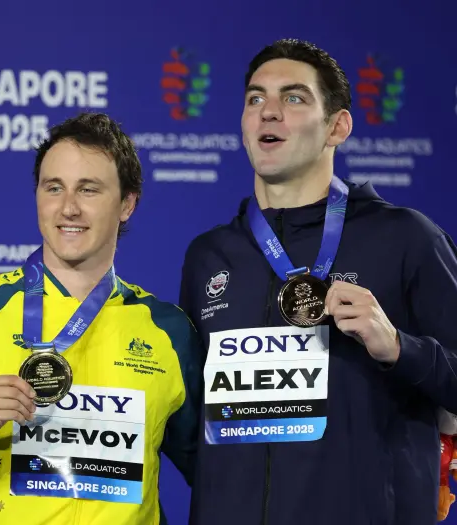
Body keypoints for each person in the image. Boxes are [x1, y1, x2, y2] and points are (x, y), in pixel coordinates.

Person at [178, 38, 457, 525]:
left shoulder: (406, 238)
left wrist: (398, 347)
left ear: (337, 127)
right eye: (255, 98)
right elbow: (190, 421)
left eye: (293, 97)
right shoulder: (209, 256)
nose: (268, 111)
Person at [0, 112, 203, 524]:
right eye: (54, 188)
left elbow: (220, 475)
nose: (68, 208)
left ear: (127, 204)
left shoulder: (168, 331)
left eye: (88, 189)